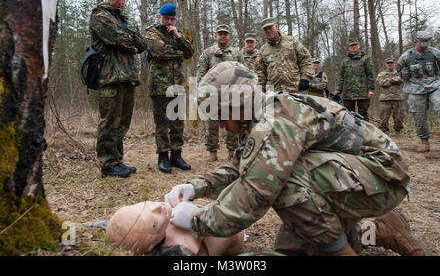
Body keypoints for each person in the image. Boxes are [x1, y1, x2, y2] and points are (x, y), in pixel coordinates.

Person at [165, 61, 429, 256]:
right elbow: (240, 167)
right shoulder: (260, 115)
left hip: (383, 176)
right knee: (290, 250)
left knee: (285, 183)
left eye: (220, 115)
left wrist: (198, 219)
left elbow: (253, 197)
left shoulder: (274, 122)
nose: (220, 124)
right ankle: (379, 229)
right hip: (354, 175)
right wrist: (195, 187)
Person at [89, 0, 148, 178]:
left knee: (123, 122)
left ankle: (117, 161)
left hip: (128, 77)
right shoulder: (99, 16)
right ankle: (107, 163)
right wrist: (129, 39)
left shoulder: (124, 19)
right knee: (109, 122)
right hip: (110, 77)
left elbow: (142, 44)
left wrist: (129, 39)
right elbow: (119, 39)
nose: (121, 2)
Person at [146, 4, 194, 173]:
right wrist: (179, 53)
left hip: (178, 84)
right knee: (162, 123)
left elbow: (190, 52)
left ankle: (176, 155)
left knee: (178, 123)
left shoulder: (176, 33)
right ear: (160, 17)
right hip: (159, 85)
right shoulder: (152, 32)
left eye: (172, 19)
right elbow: (158, 51)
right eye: (166, 18)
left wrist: (178, 37)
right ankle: (163, 156)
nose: (169, 22)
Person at [105, 201, 244, 256]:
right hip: (231, 230)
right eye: (154, 222)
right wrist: (203, 218)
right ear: (151, 245)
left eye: (145, 205)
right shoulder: (183, 248)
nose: (157, 206)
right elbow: (228, 234)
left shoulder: (166, 218)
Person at [197, 24, 244, 161]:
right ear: (216, 36)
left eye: (225, 33)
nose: (223, 35)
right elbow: (201, 74)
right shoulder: (208, 53)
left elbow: (243, 72)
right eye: (220, 33)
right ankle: (212, 152)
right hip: (213, 94)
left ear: (229, 36)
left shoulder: (236, 53)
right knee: (211, 123)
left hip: (232, 94)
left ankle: (232, 151)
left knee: (233, 122)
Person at [396, 31, 440, 153]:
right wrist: (405, 75)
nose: (424, 46)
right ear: (415, 41)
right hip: (415, 89)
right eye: (421, 43)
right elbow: (398, 71)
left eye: (426, 43)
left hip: (434, 85)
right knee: (419, 116)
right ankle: (424, 142)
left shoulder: (435, 53)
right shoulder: (406, 56)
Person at [255, 17, 314, 93]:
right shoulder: (263, 50)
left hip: (294, 89)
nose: (268, 30)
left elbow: (305, 59)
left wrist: (306, 77)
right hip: (272, 93)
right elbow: (260, 74)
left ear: (276, 26)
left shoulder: (292, 42)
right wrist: (260, 93)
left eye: (270, 27)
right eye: (266, 29)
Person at [334, 39, 374, 121]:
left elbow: (370, 75)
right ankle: (351, 132)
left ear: (358, 46)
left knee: (363, 114)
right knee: (348, 114)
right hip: (348, 92)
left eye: (355, 45)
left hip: (362, 92)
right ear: (349, 47)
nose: (353, 47)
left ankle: (365, 132)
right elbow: (341, 76)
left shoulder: (365, 59)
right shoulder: (345, 61)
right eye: (351, 46)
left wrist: (371, 89)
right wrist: (338, 90)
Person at [376, 58, 405, 133]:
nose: (390, 64)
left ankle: (398, 130)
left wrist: (388, 80)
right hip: (385, 98)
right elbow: (381, 83)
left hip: (397, 97)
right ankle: (383, 131)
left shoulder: (399, 73)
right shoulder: (381, 74)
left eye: (391, 63)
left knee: (399, 116)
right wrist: (393, 80)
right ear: (386, 64)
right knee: (384, 116)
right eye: (388, 63)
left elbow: (401, 80)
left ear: (394, 64)